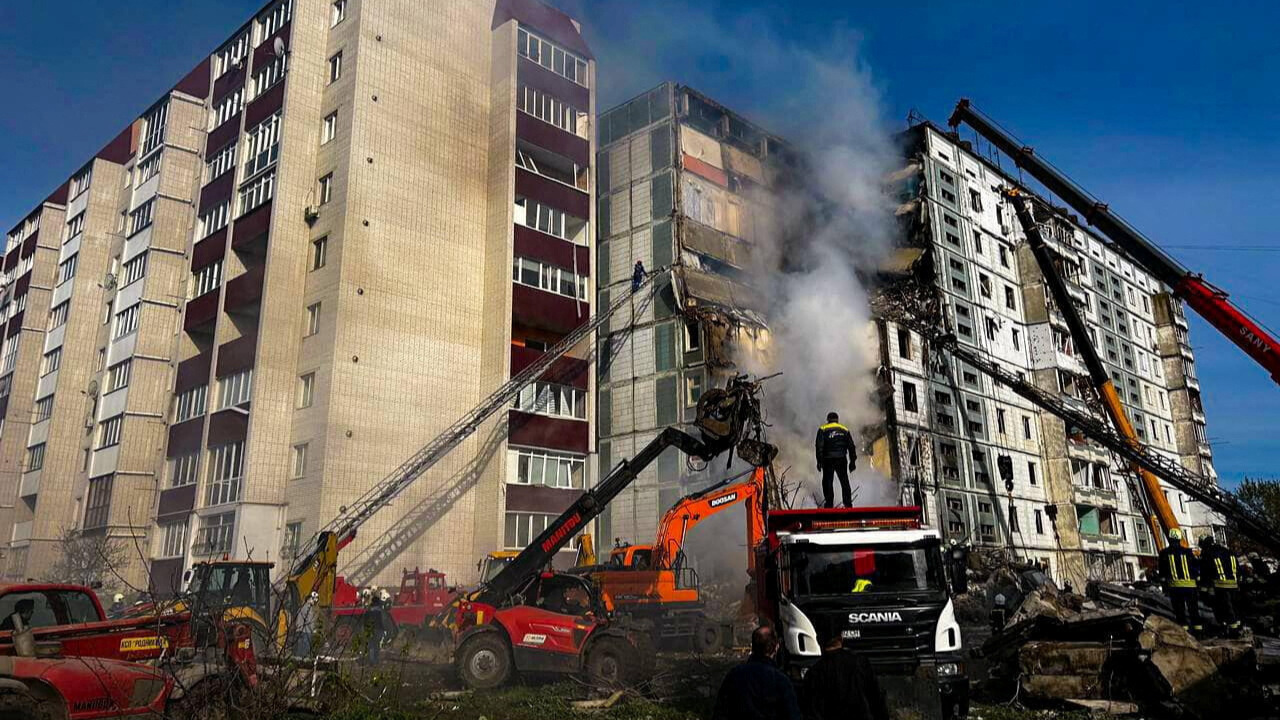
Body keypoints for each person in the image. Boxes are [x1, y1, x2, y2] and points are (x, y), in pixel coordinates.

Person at [712, 626, 801, 720]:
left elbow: (720, 713)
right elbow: (793, 715)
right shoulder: (781, 681)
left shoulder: (734, 675)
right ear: (776, 648)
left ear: (753, 647)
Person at [803, 635, 889, 720]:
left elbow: (812, 711)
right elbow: (877, 700)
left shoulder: (814, 672)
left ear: (819, 641)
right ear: (841, 639)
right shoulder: (860, 663)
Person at [1156, 528, 1202, 633]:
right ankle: (1199, 633)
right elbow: (1196, 568)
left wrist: (1164, 587)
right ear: (1180, 538)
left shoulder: (1164, 553)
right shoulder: (1188, 552)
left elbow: (1162, 572)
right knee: (1194, 610)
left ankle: (1184, 633)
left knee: (1180, 612)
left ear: (1170, 538)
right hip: (1190, 587)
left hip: (1175, 588)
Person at [1199, 535, 1241, 634]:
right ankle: (1238, 628)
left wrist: (1204, 591)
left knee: (1224, 610)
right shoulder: (1228, 552)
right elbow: (1237, 569)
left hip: (1220, 586)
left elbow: (1206, 573)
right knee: (1235, 608)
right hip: (1234, 585)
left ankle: (1231, 631)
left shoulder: (1208, 554)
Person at [815, 412, 856, 508]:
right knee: (844, 481)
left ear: (828, 419)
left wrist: (819, 461)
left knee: (827, 481)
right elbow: (851, 447)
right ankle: (848, 504)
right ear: (837, 419)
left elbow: (819, 446)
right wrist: (852, 462)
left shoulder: (823, 429)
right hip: (841, 458)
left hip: (828, 459)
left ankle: (829, 504)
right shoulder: (844, 429)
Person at [295, 591, 319, 659]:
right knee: (306, 648)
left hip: (299, 629)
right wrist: (313, 629)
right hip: (307, 631)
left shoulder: (301, 607)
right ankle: (304, 660)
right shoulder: (309, 608)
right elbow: (310, 620)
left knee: (300, 647)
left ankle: (298, 659)